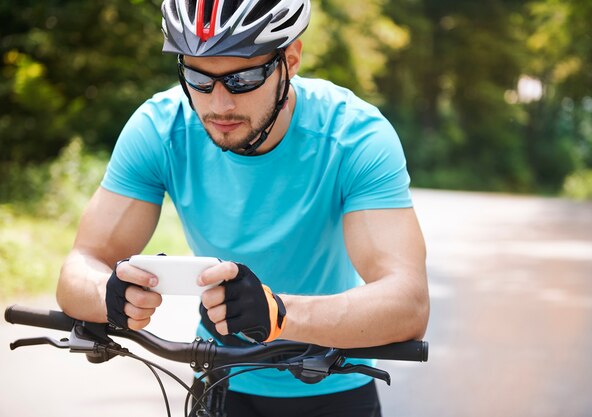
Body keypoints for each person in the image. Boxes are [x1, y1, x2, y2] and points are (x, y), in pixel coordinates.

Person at [56, 0, 430, 416]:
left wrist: (278, 313)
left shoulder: (355, 136)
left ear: (290, 59)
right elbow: (81, 265)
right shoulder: (160, 129)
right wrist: (108, 296)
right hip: (217, 376)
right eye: (199, 78)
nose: (218, 105)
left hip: (331, 381)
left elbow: (407, 302)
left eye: (243, 79)